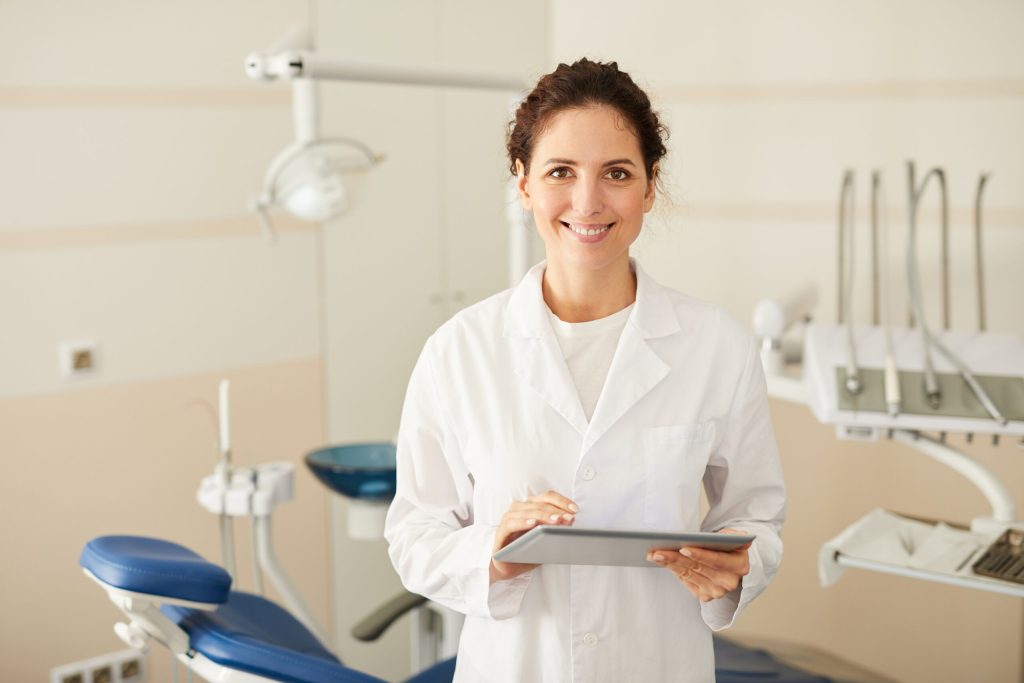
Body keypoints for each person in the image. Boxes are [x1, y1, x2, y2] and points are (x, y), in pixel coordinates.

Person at [385, 58, 786, 683]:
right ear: (523, 184)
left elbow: (757, 515)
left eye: (617, 173)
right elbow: (415, 533)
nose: (588, 201)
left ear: (649, 187)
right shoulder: (460, 350)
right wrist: (494, 552)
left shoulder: (716, 346)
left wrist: (738, 566)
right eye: (560, 172)